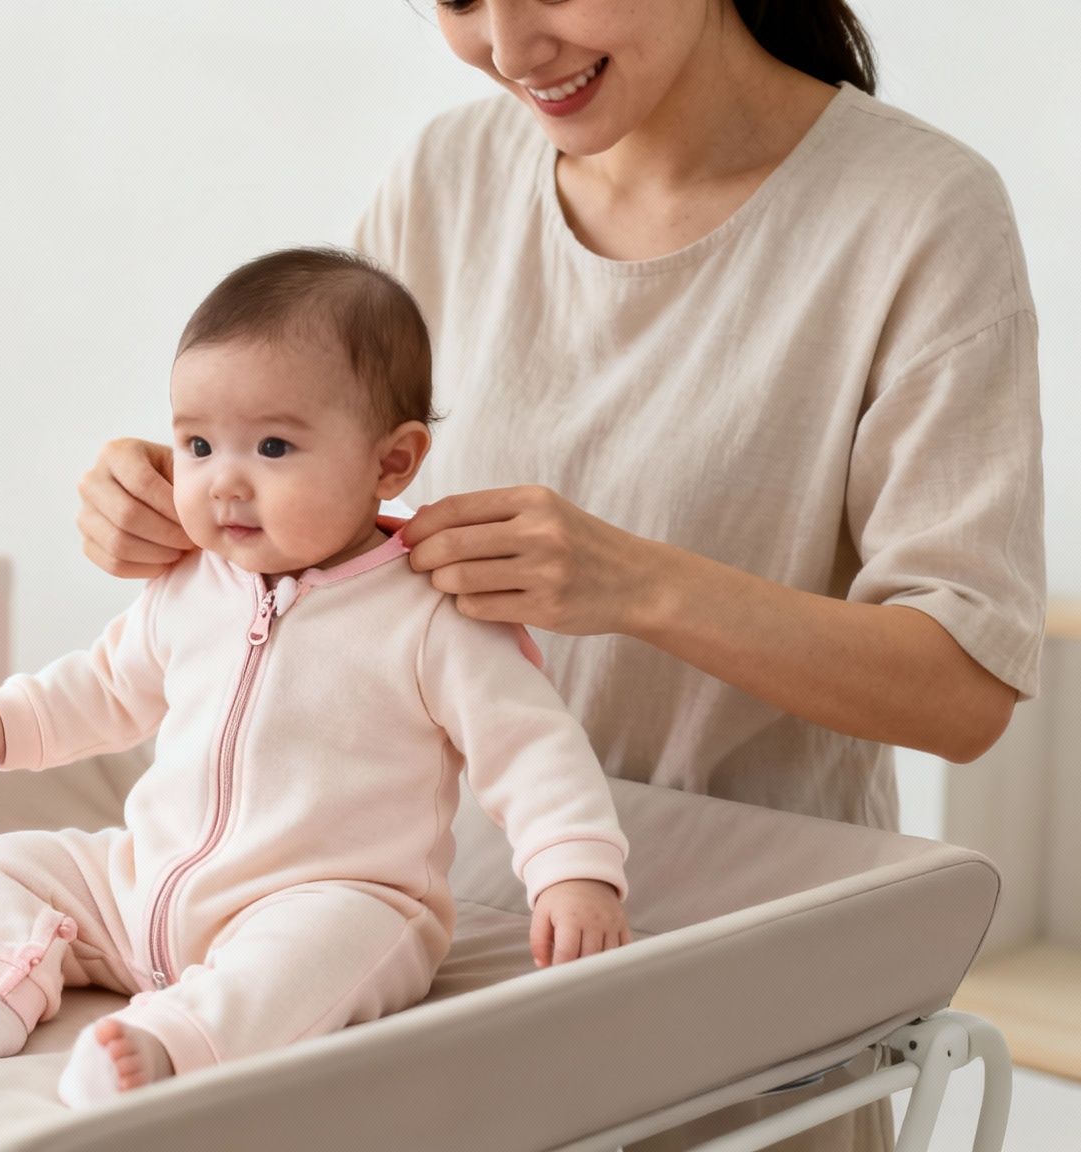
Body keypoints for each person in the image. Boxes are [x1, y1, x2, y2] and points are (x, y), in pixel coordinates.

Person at [74, 2, 1044, 1148]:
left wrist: (639, 586)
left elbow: (962, 686)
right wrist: (177, 501)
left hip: (726, 990)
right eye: (455, 0)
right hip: (423, 968)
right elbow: (333, 509)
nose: (508, 46)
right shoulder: (445, 176)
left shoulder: (913, 216)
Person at [0, 248, 631, 1107]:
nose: (223, 481)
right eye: (197, 443)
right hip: (144, 892)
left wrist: (575, 871)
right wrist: (6, 719)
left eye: (272, 445)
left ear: (392, 463)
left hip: (327, 899)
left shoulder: (433, 610)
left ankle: (176, 1045)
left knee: (315, 954)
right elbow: (107, 686)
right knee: (8, 862)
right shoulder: (189, 583)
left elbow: (532, 748)